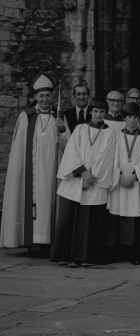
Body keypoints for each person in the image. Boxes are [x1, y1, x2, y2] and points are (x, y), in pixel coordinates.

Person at [1, 73, 70, 253]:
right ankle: (34, 243)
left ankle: (50, 243)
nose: (45, 99)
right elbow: (19, 150)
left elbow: (68, 145)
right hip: (33, 172)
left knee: (51, 202)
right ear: (35, 97)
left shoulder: (59, 116)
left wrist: (62, 128)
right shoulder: (26, 116)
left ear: (52, 96)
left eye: (48, 95)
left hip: (53, 170)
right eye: (41, 96)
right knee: (35, 205)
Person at [50, 97, 117, 267]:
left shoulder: (110, 133)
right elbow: (72, 151)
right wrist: (82, 172)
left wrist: (92, 177)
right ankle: (67, 256)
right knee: (69, 218)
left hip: (96, 182)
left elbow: (107, 157)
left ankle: (86, 257)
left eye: (102, 112)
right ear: (91, 112)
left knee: (90, 221)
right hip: (77, 179)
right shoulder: (80, 129)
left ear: (105, 113)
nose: (98, 114)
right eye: (95, 111)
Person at [106, 102, 140, 265]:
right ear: (124, 118)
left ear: (139, 119)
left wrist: (134, 176)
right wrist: (121, 175)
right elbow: (111, 158)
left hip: (136, 184)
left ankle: (136, 253)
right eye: (128, 117)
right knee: (118, 215)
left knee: (136, 218)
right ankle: (118, 252)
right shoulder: (116, 135)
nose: (131, 120)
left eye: (135, 117)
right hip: (119, 182)